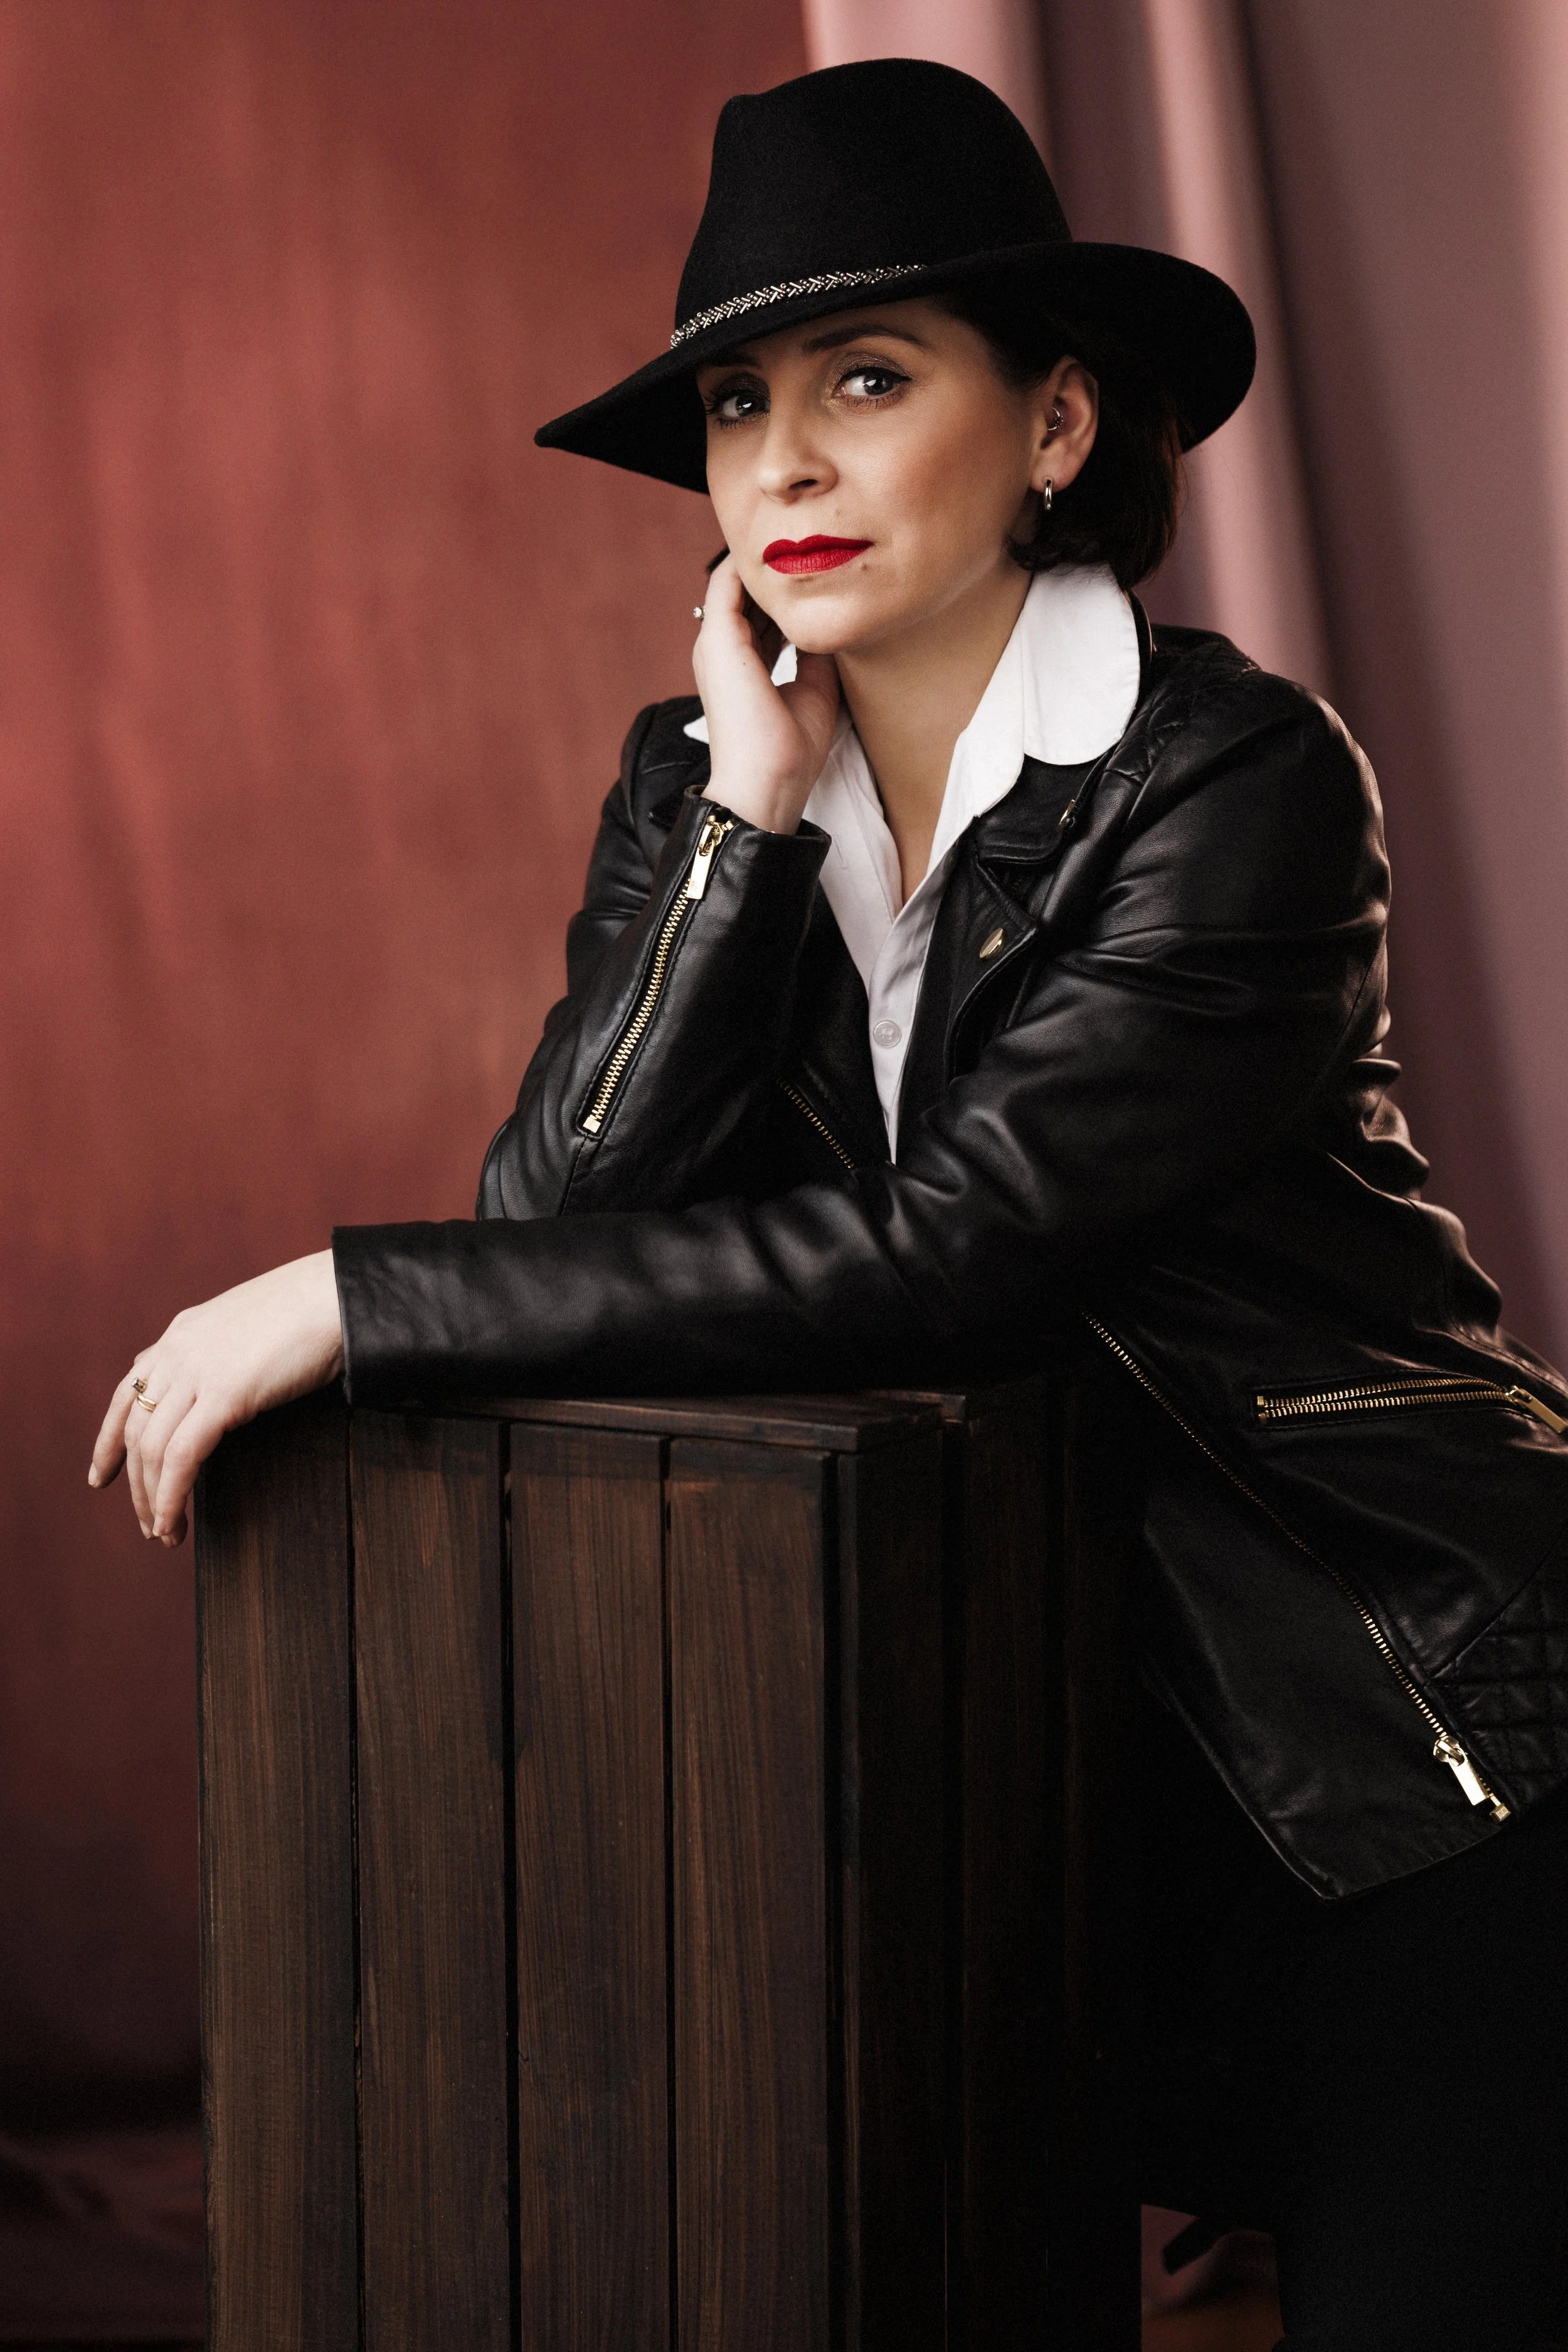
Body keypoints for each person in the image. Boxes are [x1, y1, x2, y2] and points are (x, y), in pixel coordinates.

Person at [90, 58, 1568, 2348]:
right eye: (735, 402)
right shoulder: (701, 779)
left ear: (1057, 426)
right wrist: (744, 841)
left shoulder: (1235, 781)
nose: (778, 459)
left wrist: (345, 1301)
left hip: (1418, 1750)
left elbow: (960, 1252)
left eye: (865, 382)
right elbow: (560, 1202)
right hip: (1030, 1770)